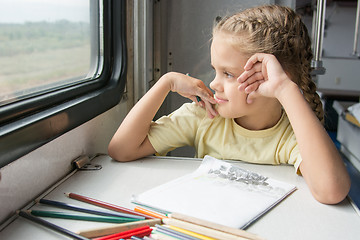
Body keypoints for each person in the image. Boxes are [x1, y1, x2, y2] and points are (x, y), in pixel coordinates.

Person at [108, 5, 350, 204]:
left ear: (271, 77)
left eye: (229, 74)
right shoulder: (204, 116)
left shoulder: (290, 135)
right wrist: (166, 82)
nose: (215, 83)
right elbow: (121, 150)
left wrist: (286, 89)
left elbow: (331, 191)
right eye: (216, 71)